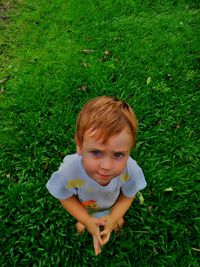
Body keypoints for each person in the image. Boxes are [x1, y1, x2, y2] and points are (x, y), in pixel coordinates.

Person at [46, 96, 147, 255]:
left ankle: (109, 216)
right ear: (79, 145)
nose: (106, 167)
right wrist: (86, 219)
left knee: (114, 217)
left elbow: (128, 195)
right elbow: (64, 196)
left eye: (118, 155)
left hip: (110, 203)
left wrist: (114, 217)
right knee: (85, 218)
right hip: (86, 205)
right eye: (96, 152)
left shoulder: (131, 170)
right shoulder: (69, 172)